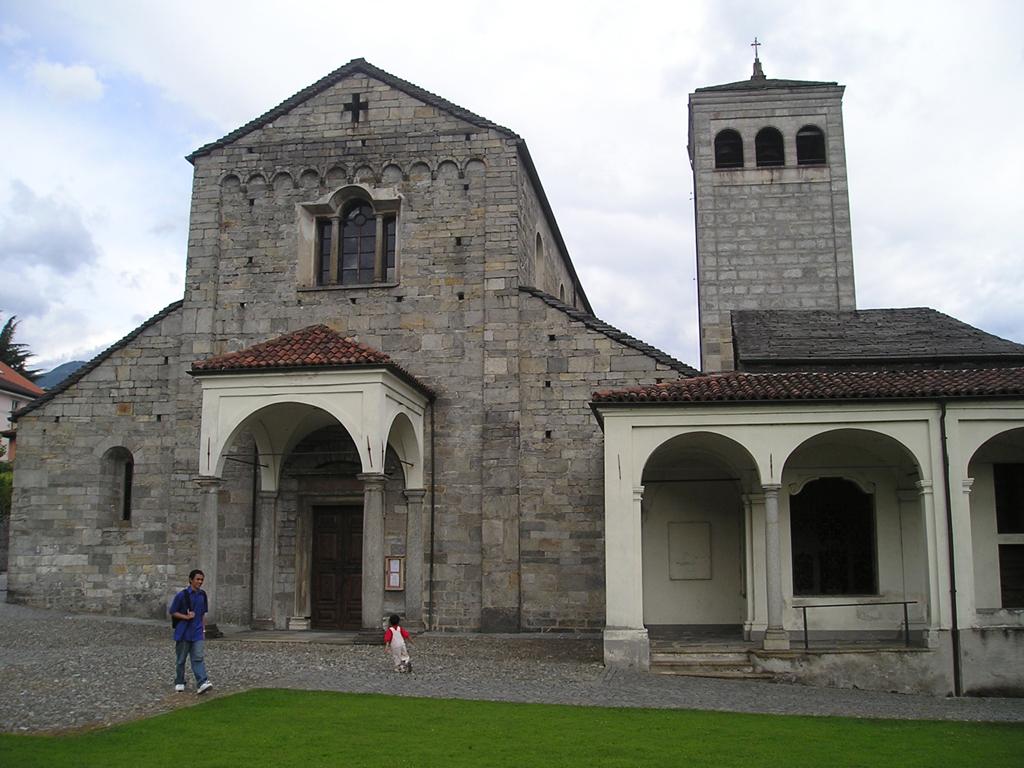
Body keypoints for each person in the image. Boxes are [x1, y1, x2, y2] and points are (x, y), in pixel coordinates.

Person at [169, 569, 213, 694]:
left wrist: (203, 629)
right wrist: (186, 617)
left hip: (197, 632)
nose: (200, 582)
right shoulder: (182, 595)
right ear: (191, 580)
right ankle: (179, 681)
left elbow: (203, 614)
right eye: (198, 579)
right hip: (184, 632)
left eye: (201, 580)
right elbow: (173, 611)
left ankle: (202, 682)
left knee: (198, 658)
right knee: (181, 659)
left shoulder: (202, 595)